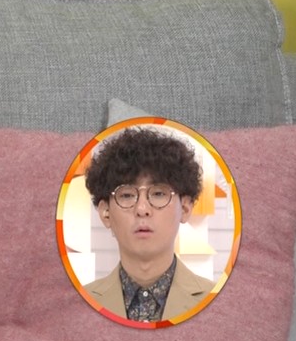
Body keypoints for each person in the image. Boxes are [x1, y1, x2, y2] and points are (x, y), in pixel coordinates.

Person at [82, 126, 215, 323]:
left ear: (185, 208)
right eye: (127, 195)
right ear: (105, 213)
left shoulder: (217, 301)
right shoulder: (78, 303)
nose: (142, 209)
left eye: (158, 193)